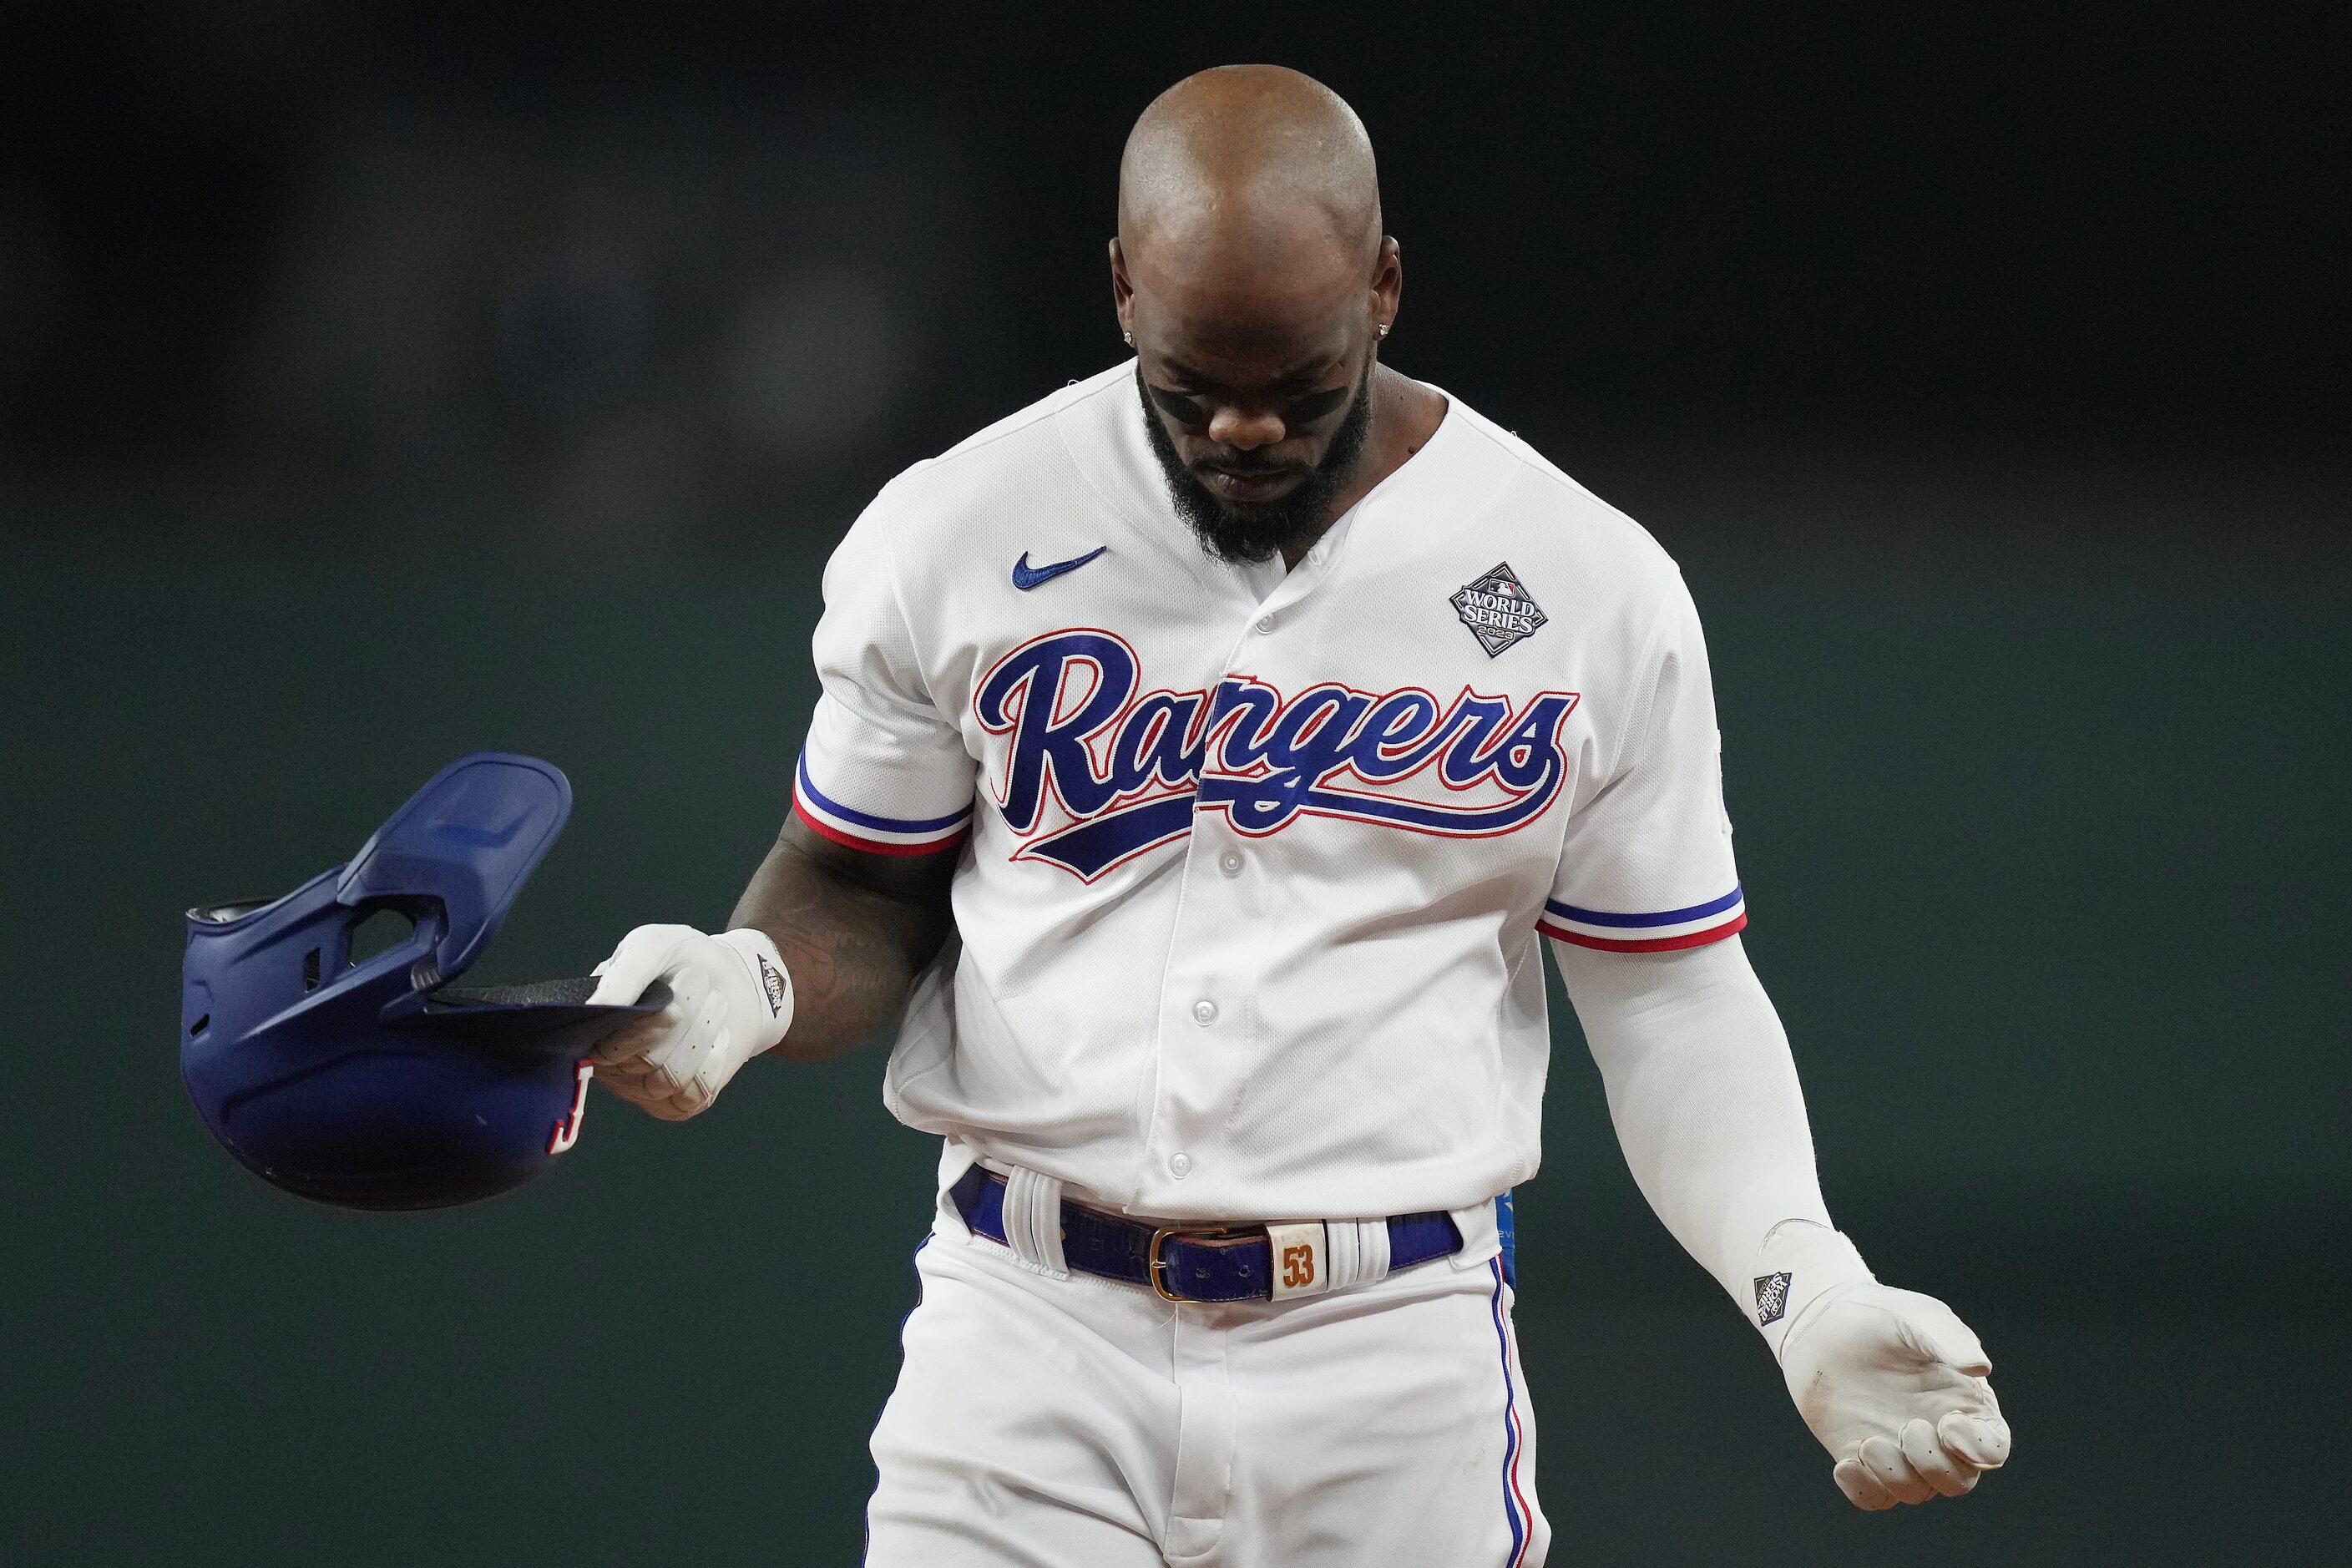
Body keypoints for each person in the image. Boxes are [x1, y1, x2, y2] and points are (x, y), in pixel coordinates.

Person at [584, 63, 2010, 1566]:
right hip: (1029, 1341)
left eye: (1298, 385)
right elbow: (856, 883)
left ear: (1385, 288)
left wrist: (1803, 1279)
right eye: (1196, 389)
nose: (1247, 431)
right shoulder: (959, 528)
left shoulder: (1586, 582)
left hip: (1391, 1365)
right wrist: (744, 981)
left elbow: (1666, 988)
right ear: (1123, 289)